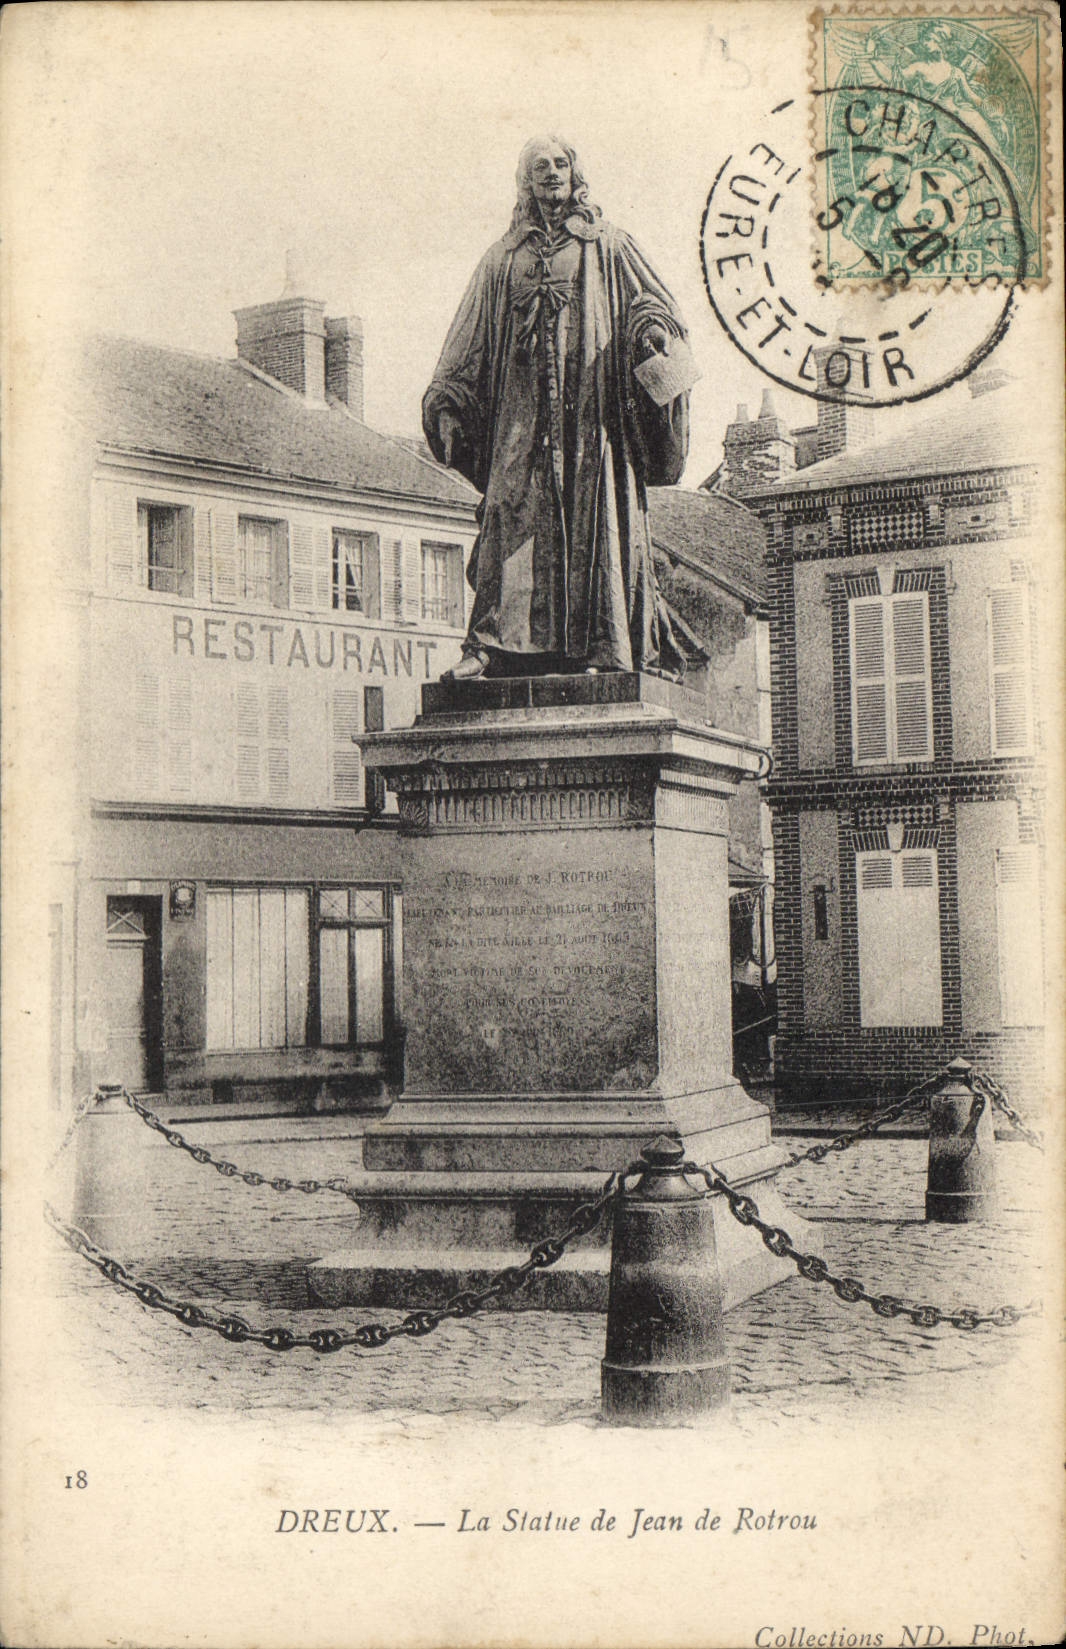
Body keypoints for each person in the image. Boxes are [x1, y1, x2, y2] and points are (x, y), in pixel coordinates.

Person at [422, 135, 692, 679]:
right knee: (506, 508)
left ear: (575, 173)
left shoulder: (608, 245)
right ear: (526, 181)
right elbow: (467, 339)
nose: (551, 172)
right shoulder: (502, 258)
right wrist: (448, 402)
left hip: (592, 417)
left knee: (596, 516)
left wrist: (653, 332)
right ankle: (490, 645)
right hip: (519, 417)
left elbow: (657, 307)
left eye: (560, 163)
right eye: (539, 165)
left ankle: (604, 648)